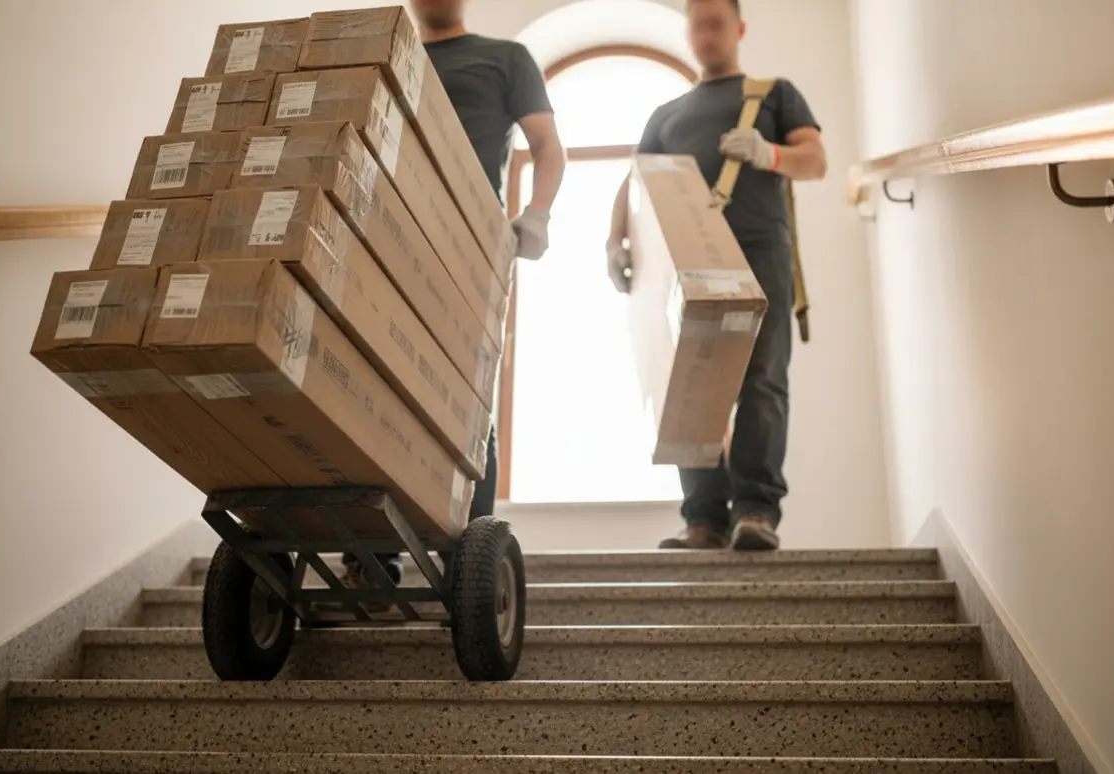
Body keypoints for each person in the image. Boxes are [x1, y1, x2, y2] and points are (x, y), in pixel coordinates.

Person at [343, 0, 566, 601]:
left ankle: (470, 561)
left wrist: (538, 213)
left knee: (469, 405)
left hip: (470, 247)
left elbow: (547, 144)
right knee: (371, 386)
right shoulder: (389, 57)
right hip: (386, 236)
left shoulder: (505, 58)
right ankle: (371, 557)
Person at [606, 0, 826, 552]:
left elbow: (815, 160)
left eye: (715, 24)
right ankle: (703, 519)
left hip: (758, 250)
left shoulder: (772, 93)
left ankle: (755, 511)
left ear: (739, 29)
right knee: (691, 383)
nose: (705, 34)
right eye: (697, 25)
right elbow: (636, 183)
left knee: (761, 378)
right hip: (684, 261)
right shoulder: (667, 114)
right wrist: (615, 241)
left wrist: (768, 153)